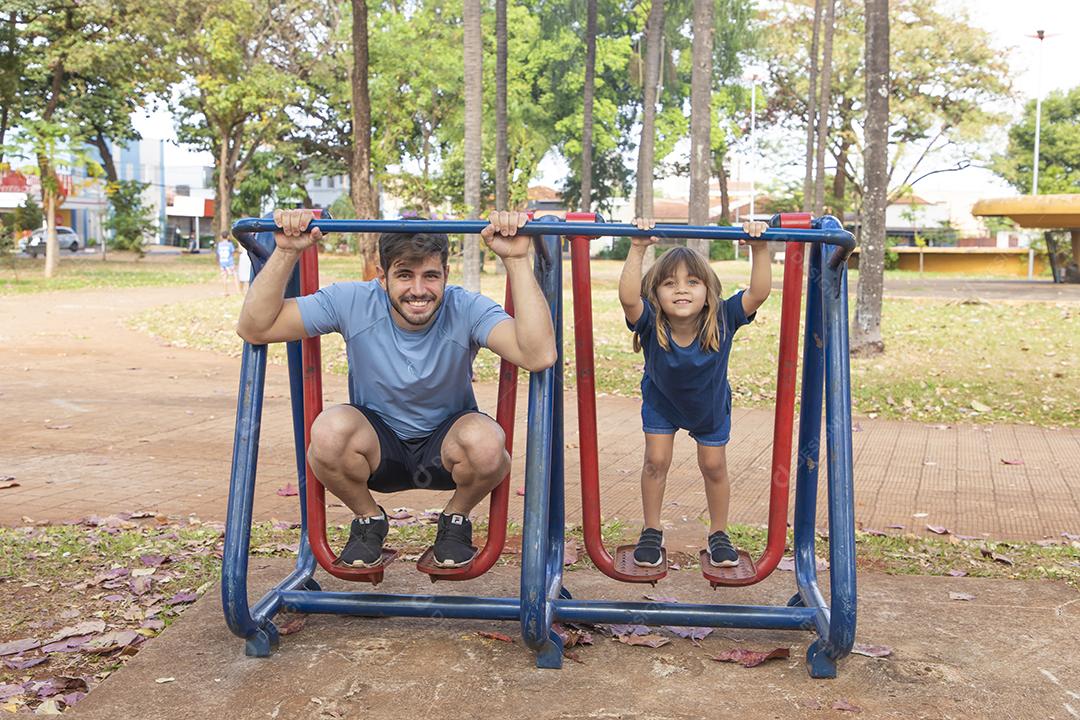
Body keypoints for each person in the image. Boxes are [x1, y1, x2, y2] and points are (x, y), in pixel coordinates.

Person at [236, 209, 557, 569]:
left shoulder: (465, 306)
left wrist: (515, 260)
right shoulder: (353, 300)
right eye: (405, 275)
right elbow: (255, 328)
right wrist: (285, 253)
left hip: (447, 446)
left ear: (446, 276)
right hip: (377, 447)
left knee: (487, 444)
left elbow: (539, 354)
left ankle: (455, 520)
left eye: (430, 276)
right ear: (382, 277)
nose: (418, 290)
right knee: (327, 433)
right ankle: (369, 519)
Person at [619, 218, 771, 569]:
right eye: (670, 284)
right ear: (655, 294)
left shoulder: (723, 319)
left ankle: (719, 533)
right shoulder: (650, 320)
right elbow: (628, 297)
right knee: (656, 461)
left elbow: (759, 292)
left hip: (710, 406)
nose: (681, 289)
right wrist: (638, 246)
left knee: (714, 465)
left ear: (709, 292)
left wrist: (760, 247)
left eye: (692, 282)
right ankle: (652, 531)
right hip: (662, 402)